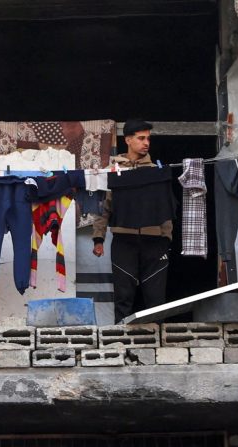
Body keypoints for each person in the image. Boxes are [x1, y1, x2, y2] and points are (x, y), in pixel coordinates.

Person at [92, 119, 173, 323]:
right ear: (128, 140)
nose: (146, 143)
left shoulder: (156, 170)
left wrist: (166, 238)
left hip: (155, 241)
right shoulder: (114, 171)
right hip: (123, 241)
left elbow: (165, 206)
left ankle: (158, 345)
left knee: (156, 298)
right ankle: (120, 342)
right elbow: (104, 206)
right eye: (141, 138)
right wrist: (98, 239)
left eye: (148, 139)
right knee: (123, 297)